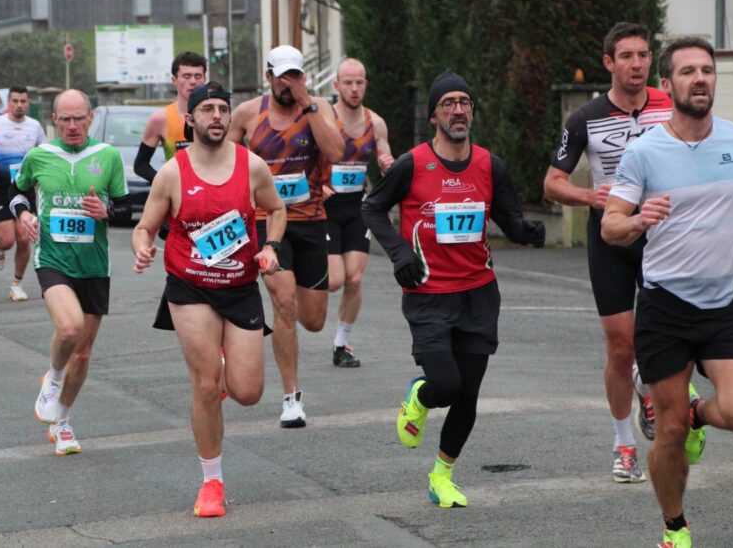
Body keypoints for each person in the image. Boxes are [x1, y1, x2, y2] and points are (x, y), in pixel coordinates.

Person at [602, 38, 733, 548]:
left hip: (725, 304)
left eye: (707, 70)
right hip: (665, 306)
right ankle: (675, 527)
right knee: (669, 433)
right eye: (689, 71)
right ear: (666, 84)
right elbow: (610, 225)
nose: (701, 78)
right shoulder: (645, 151)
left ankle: (699, 413)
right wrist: (636, 219)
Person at [362, 69, 545, 509]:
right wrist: (400, 254)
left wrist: (526, 231)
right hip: (428, 293)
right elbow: (372, 209)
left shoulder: (488, 165)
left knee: (468, 395)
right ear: (434, 116)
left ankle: (442, 474)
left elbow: (507, 216)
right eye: (449, 103)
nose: (458, 110)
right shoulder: (411, 164)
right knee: (444, 384)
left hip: (479, 293)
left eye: (464, 102)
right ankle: (419, 397)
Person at [132, 83, 286, 517]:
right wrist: (142, 248)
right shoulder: (173, 173)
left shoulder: (252, 167)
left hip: (240, 287)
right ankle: (211, 482)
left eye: (222, 109)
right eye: (207, 109)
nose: (216, 116)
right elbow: (145, 227)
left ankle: (222, 362)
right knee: (205, 383)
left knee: (248, 391)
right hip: (190, 287)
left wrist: (271, 246)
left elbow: (276, 209)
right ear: (192, 119)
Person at [543, 22, 671, 482]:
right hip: (612, 238)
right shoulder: (584, 118)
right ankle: (624, 443)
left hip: (663, 236)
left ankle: (649, 385)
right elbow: (552, 183)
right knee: (621, 347)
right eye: (627, 57)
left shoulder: (669, 106)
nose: (636, 64)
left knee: (664, 337)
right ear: (609, 63)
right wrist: (592, 197)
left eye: (643, 55)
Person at [227, 45, 344, 427]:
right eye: (282, 77)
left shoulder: (318, 108)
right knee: (285, 304)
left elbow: (337, 153)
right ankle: (291, 398)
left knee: (313, 319)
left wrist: (309, 104)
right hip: (266, 222)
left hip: (311, 221)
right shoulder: (248, 114)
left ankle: (290, 381)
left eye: (295, 76)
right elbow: (224, 161)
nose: (288, 83)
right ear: (268, 78)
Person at [9, 89, 131, 456]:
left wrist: (106, 211)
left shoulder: (108, 156)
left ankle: (62, 421)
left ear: (91, 118)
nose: (73, 125)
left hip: (94, 265)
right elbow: (15, 195)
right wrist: (24, 215)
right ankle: (53, 378)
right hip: (53, 260)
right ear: (55, 121)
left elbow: (126, 208)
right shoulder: (38, 156)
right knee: (70, 328)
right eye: (66, 119)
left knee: (83, 353)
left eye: (80, 118)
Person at [323, 58, 393, 367]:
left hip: (356, 207)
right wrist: (317, 185)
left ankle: (341, 345)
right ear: (336, 86)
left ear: (365, 85)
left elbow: (385, 156)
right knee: (335, 280)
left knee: (354, 280)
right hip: (325, 207)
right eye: (347, 82)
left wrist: (387, 163)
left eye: (359, 82)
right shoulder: (326, 119)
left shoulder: (375, 122)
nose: (354, 88)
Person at [0, 85, 47, 301]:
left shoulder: (35, 127)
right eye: (15, 101)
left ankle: (16, 284)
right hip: (1, 188)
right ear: (8, 103)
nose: (19, 105)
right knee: (7, 241)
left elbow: (44, 154)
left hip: (25, 189)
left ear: (28, 103)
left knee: (24, 238)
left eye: (23, 101)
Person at [134, 51, 207, 178]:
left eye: (198, 76)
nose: (193, 81)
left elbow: (240, 158)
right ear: (174, 80)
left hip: (214, 193)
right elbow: (141, 165)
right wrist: (165, 183)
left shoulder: (218, 116)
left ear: (205, 79)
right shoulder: (161, 119)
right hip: (179, 195)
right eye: (187, 76)